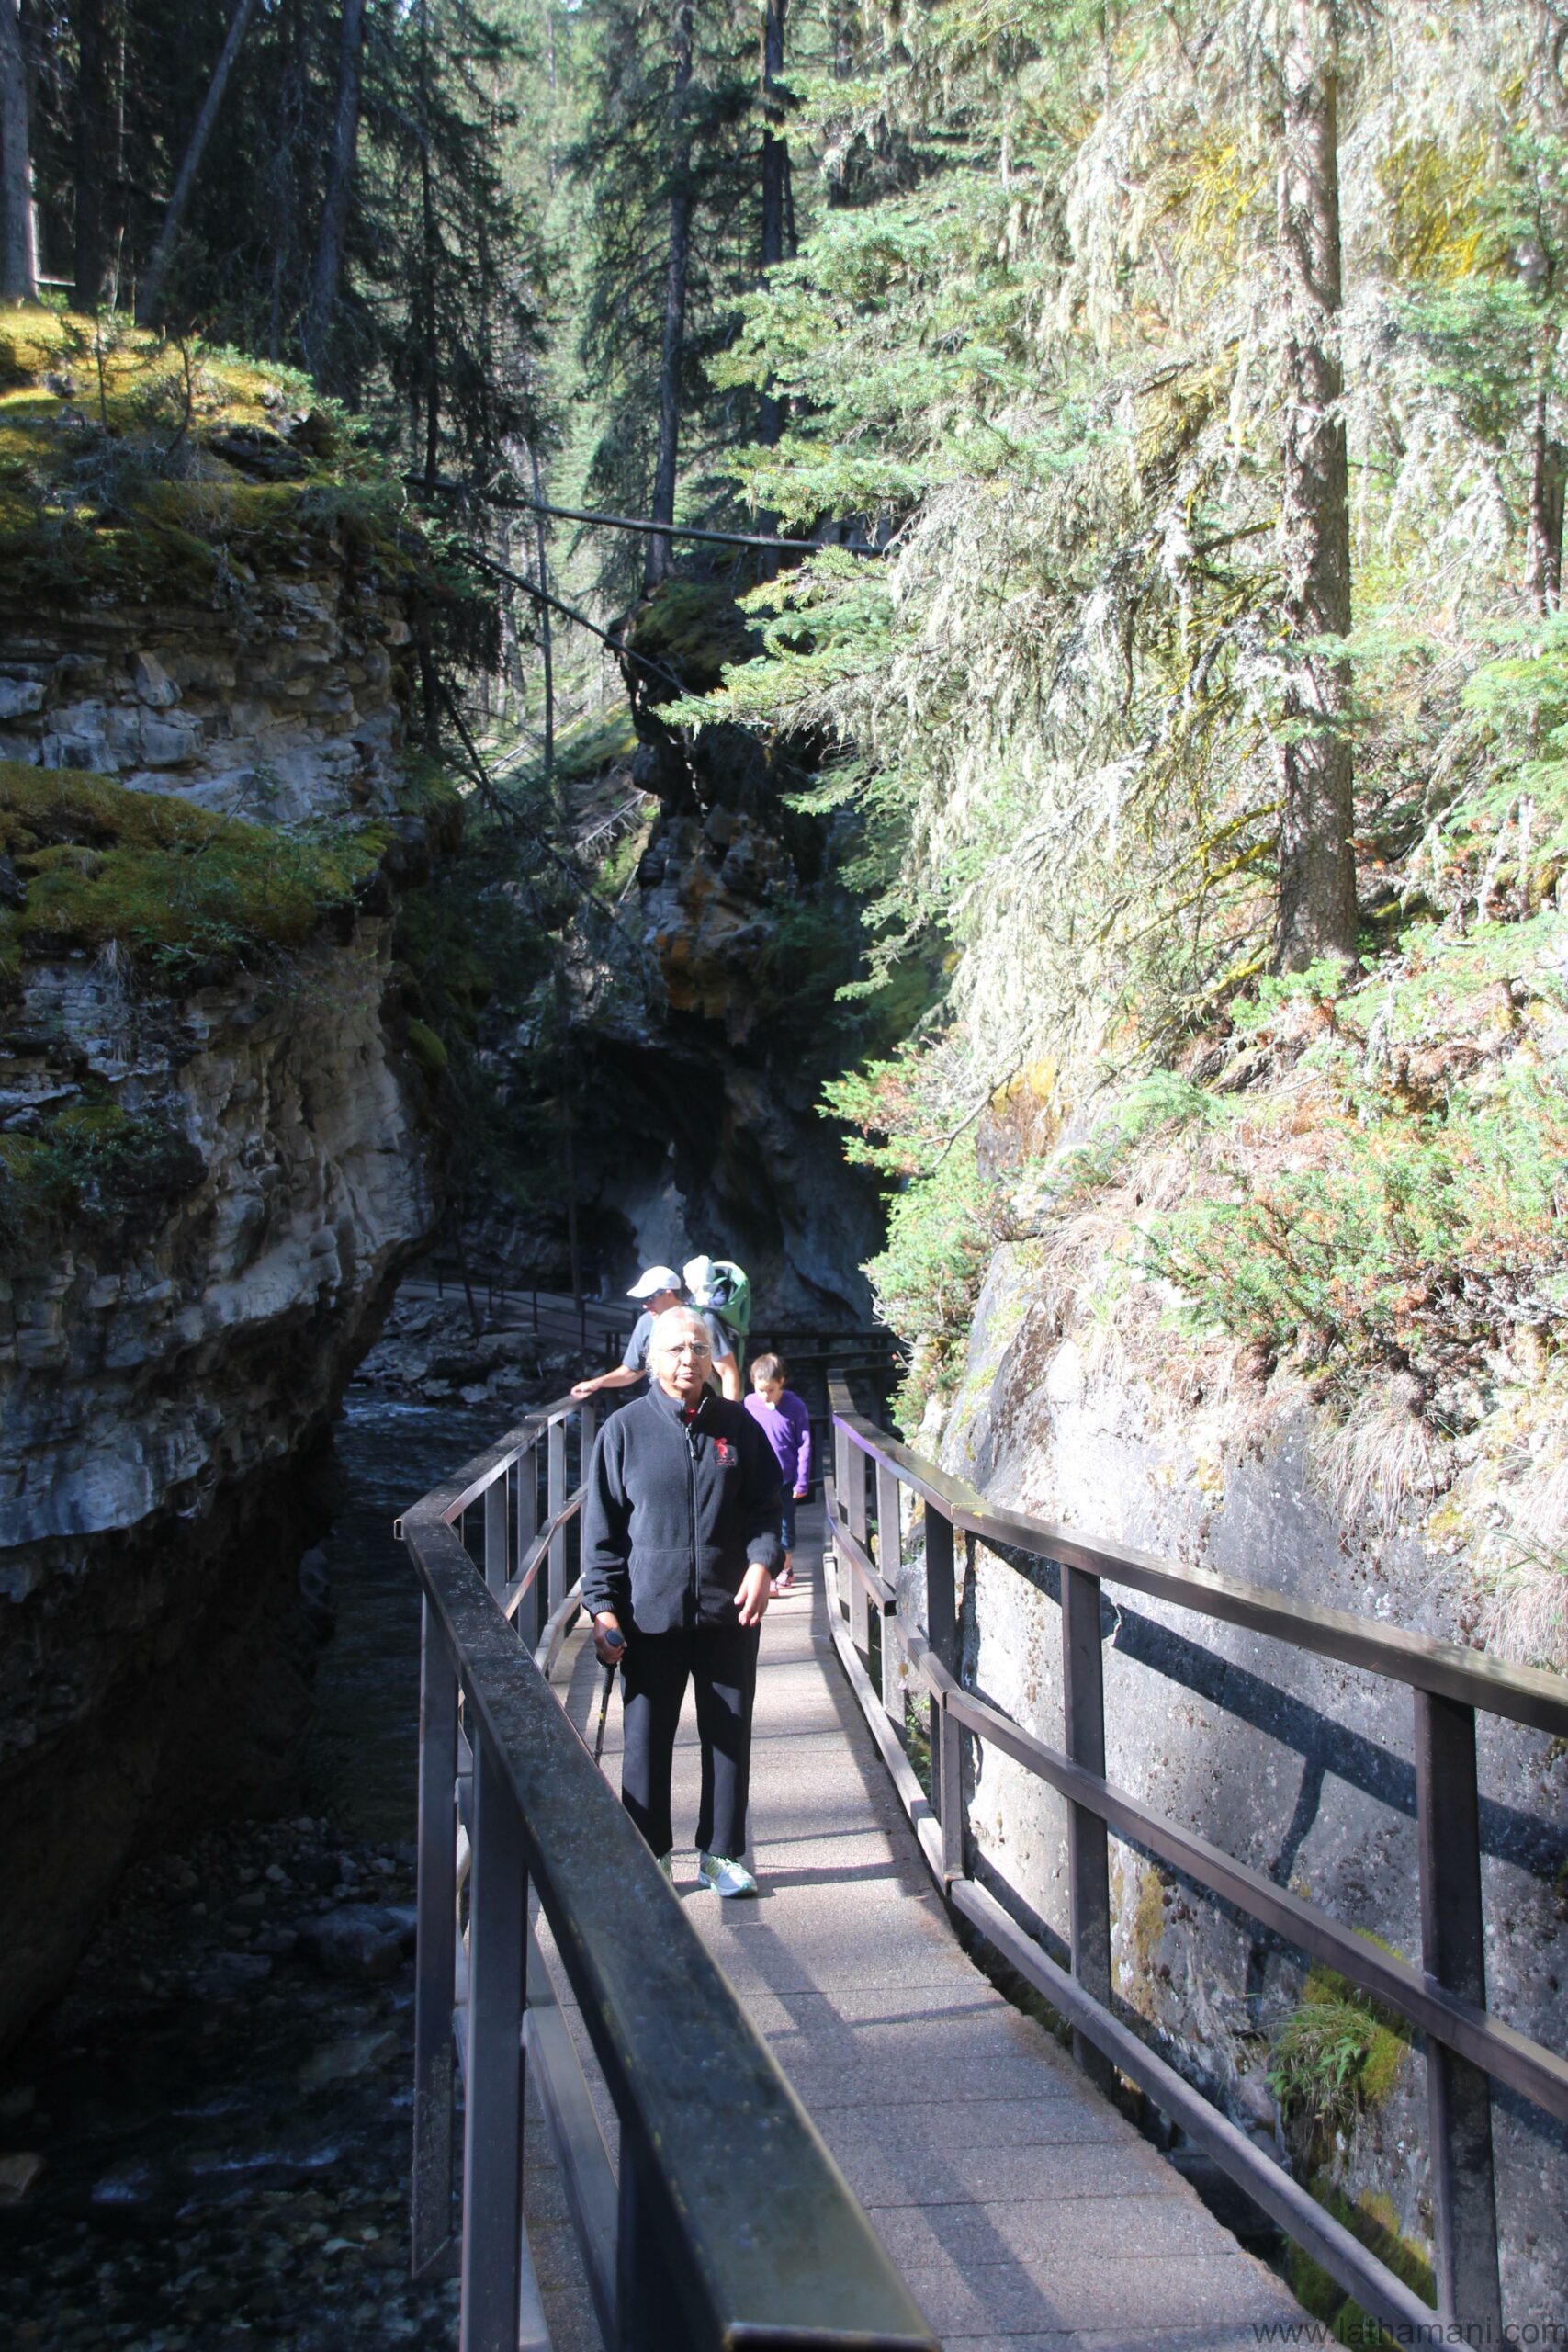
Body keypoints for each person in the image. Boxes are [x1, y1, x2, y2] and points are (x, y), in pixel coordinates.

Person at [581, 1306, 783, 1895]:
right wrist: (604, 1609)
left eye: (697, 1348)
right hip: (648, 1616)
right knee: (645, 1737)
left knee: (728, 1732)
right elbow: (602, 1534)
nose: (688, 1359)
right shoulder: (622, 1432)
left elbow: (768, 1508)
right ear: (651, 1359)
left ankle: (722, 1854)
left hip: (729, 1610)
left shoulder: (738, 1426)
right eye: (674, 1350)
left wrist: (761, 1564)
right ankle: (649, 1854)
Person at [571, 1263, 740, 1403]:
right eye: (642, 1300)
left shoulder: (704, 1320)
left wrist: (730, 1419)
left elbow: (728, 1372)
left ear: (669, 1293)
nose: (645, 1305)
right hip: (664, 1410)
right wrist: (596, 1383)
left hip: (706, 1407)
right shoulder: (646, 1323)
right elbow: (632, 1371)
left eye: (650, 1298)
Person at [743, 1354, 812, 1595]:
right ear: (753, 1381)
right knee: (759, 1524)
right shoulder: (749, 1404)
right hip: (757, 1476)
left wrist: (802, 1479)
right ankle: (765, 1573)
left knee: (785, 1523)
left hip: (785, 1477)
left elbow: (804, 1443)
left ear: (782, 1382)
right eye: (760, 1390)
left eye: (771, 1390)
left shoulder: (794, 1406)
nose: (765, 1396)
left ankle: (786, 1567)